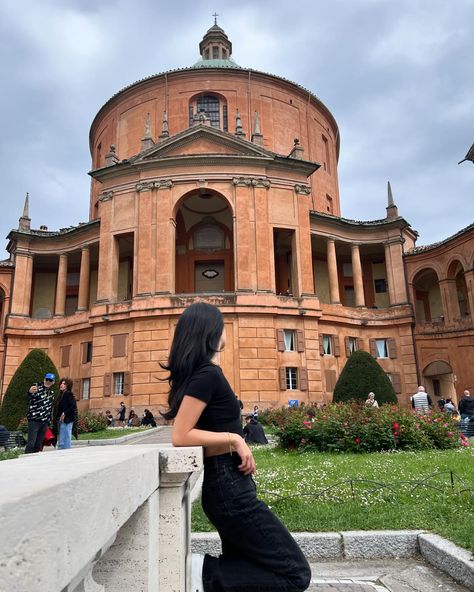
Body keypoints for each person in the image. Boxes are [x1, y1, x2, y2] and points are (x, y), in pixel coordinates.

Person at [161, 302, 311, 592]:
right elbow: (181, 434)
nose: (225, 328)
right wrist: (235, 439)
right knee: (295, 574)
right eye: (221, 323)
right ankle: (202, 575)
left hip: (230, 485)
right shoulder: (207, 375)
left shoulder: (205, 374)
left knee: (248, 564)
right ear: (210, 332)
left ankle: (207, 576)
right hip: (228, 488)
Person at [25, 372, 56, 453]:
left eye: (50, 380)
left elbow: (50, 408)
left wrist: (49, 421)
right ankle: (25, 461)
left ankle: (33, 461)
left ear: (53, 382)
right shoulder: (37, 387)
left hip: (44, 422)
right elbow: (29, 397)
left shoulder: (52, 393)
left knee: (39, 444)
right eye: (47, 379)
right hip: (34, 420)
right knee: (31, 443)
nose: (48, 382)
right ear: (44, 379)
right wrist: (29, 392)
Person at [55, 377, 77, 450]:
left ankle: (66, 451)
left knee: (66, 436)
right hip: (62, 419)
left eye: (64, 384)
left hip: (68, 419)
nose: (62, 385)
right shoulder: (61, 395)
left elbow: (73, 405)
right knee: (62, 436)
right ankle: (61, 450)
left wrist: (64, 413)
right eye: (61, 383)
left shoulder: (68, 393)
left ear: (68, 386)